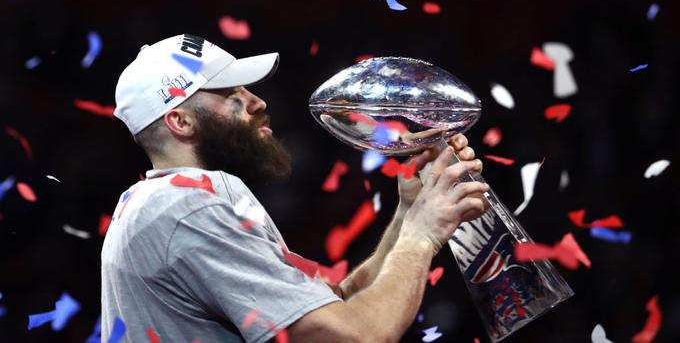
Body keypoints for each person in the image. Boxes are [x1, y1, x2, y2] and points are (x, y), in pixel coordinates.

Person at [102, 34, 489, 342]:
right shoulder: (185, 211)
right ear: (181, 122)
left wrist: (409, 216)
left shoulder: (166, 202)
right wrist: (422, 236)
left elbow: (333, 308)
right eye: (232, 96)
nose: (257, 101)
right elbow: (355, 335)